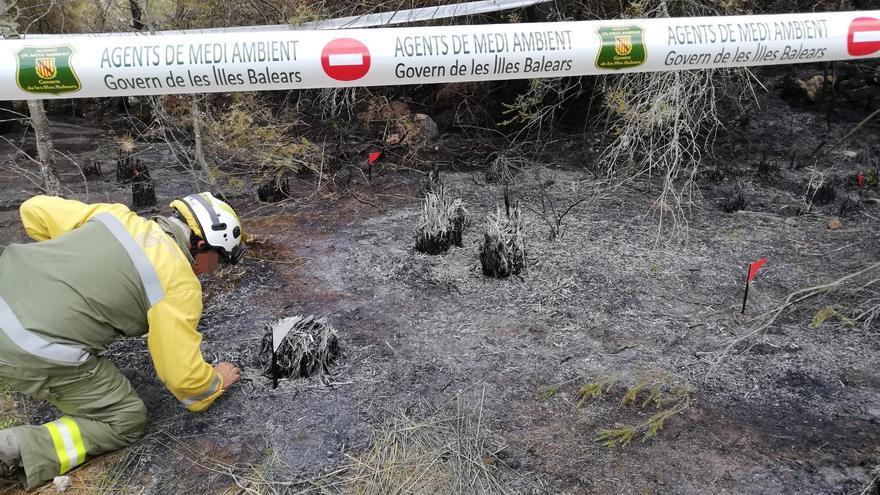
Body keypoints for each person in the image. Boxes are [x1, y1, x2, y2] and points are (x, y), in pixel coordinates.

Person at [0, 192, 245, 489]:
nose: (210, 271)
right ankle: (15, 448)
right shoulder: (179, 284)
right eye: (215, 261)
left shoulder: (114, 216)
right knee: (126, 418)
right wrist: (213, 382)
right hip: (25, 344)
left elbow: (33, 210)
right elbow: (185, 383)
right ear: (201, 244)